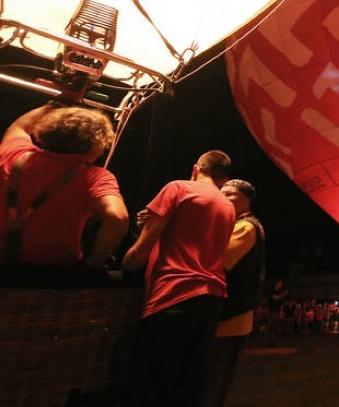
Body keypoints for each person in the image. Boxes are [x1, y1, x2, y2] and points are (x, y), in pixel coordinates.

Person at [122, 150, 236, 406]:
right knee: (188, 385)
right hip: (211, 299)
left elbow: (141, 250)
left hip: (172, 295)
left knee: (151, 385)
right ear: (223, 179)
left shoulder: (178, 188)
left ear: (196, 167)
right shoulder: (228, 206)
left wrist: (127, 263)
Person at [0, 103, 128, 272]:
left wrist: (58, 102)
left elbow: (19, 126)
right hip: (50, 274)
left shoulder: (15, 153)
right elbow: (117, 217)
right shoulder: (95, 177)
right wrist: (93, 264)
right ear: (96, 145)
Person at [203, 179, 266, 407]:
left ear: (246, 200)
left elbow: (215, 260)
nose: (223, 197)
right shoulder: (232, 225)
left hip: (232, 315)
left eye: (230, 194)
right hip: (225, 312)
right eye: (221, 192)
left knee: (214, 375)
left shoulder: (246, 227)